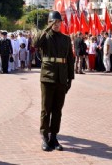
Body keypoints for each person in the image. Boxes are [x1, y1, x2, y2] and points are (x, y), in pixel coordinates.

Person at [33, 11, 74, 152]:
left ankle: (54, 137)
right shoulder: (45, 37)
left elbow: (70, 59)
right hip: (47, 77)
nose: (57, 25)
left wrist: (70, 78)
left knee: (57, 110)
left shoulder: (66, 39)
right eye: (54, 22)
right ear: (49, 23)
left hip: (61, 77)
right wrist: (46, 29)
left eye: (58, 22)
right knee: (46, 109)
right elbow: (35, 43)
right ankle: (44, 136)